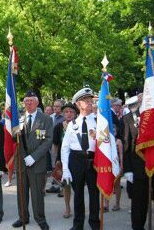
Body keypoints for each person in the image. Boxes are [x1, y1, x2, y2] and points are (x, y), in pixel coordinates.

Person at [12, 91, 53, 230]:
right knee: (21, 193)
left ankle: (40, 219)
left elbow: (47, 141)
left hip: (37, 162)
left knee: (37, 194)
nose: (28, 103)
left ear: (36, 102)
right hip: (21, 162)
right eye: (26, 101)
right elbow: (13, 139)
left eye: (31, 100)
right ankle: (22, 217)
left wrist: (33, 157)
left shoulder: (46, 119)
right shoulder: (19, 119)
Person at [61, 87, 100, 230]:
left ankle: (95, 223)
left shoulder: (98, 122)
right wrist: (65, 169)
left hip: (93, 160)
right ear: (79, 104)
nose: (90, 103)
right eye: (86, 101)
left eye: (90, 100)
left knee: (94, 193)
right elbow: (65, 148)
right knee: (78, 194)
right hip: (76, 160)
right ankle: (78, 224)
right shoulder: (71, 125)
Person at [122, 95, 154, 230]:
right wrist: (128, 169)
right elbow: (126, 145)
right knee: (139, 201)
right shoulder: (128, 118)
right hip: (137, 166)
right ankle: (138, 226)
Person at [53, 102, 78, 219]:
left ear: (75, 114)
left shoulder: (78, 125)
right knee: (66, 186)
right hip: (63, 160)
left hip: (77, 159)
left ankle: (78, 208)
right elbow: (56, 145)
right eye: (66, 112)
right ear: (63, 114)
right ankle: (68, 208)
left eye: (71, 112)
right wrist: (56, 160)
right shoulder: (58, 127)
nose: (68, 114)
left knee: (77, 186)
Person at [104, 124, 123, 212]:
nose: (113, 131)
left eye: (115, 129)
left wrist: (121, 166)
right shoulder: (105, 141)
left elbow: (121, 155)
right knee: (106, 184)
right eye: (112, 129)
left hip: (116, 165)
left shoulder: (118, 141)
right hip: (107, 166)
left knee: (117, 185)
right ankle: (106, 205)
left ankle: (117, 204)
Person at [46, 99, 64, 194]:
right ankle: (54, 185)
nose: (55, 108)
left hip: (59, 144)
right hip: (49, 143)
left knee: (60, 164)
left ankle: (62, 187)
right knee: (53, 164)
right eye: (54, 106)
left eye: (57, 106)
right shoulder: (51, 117)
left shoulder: (64, 118)